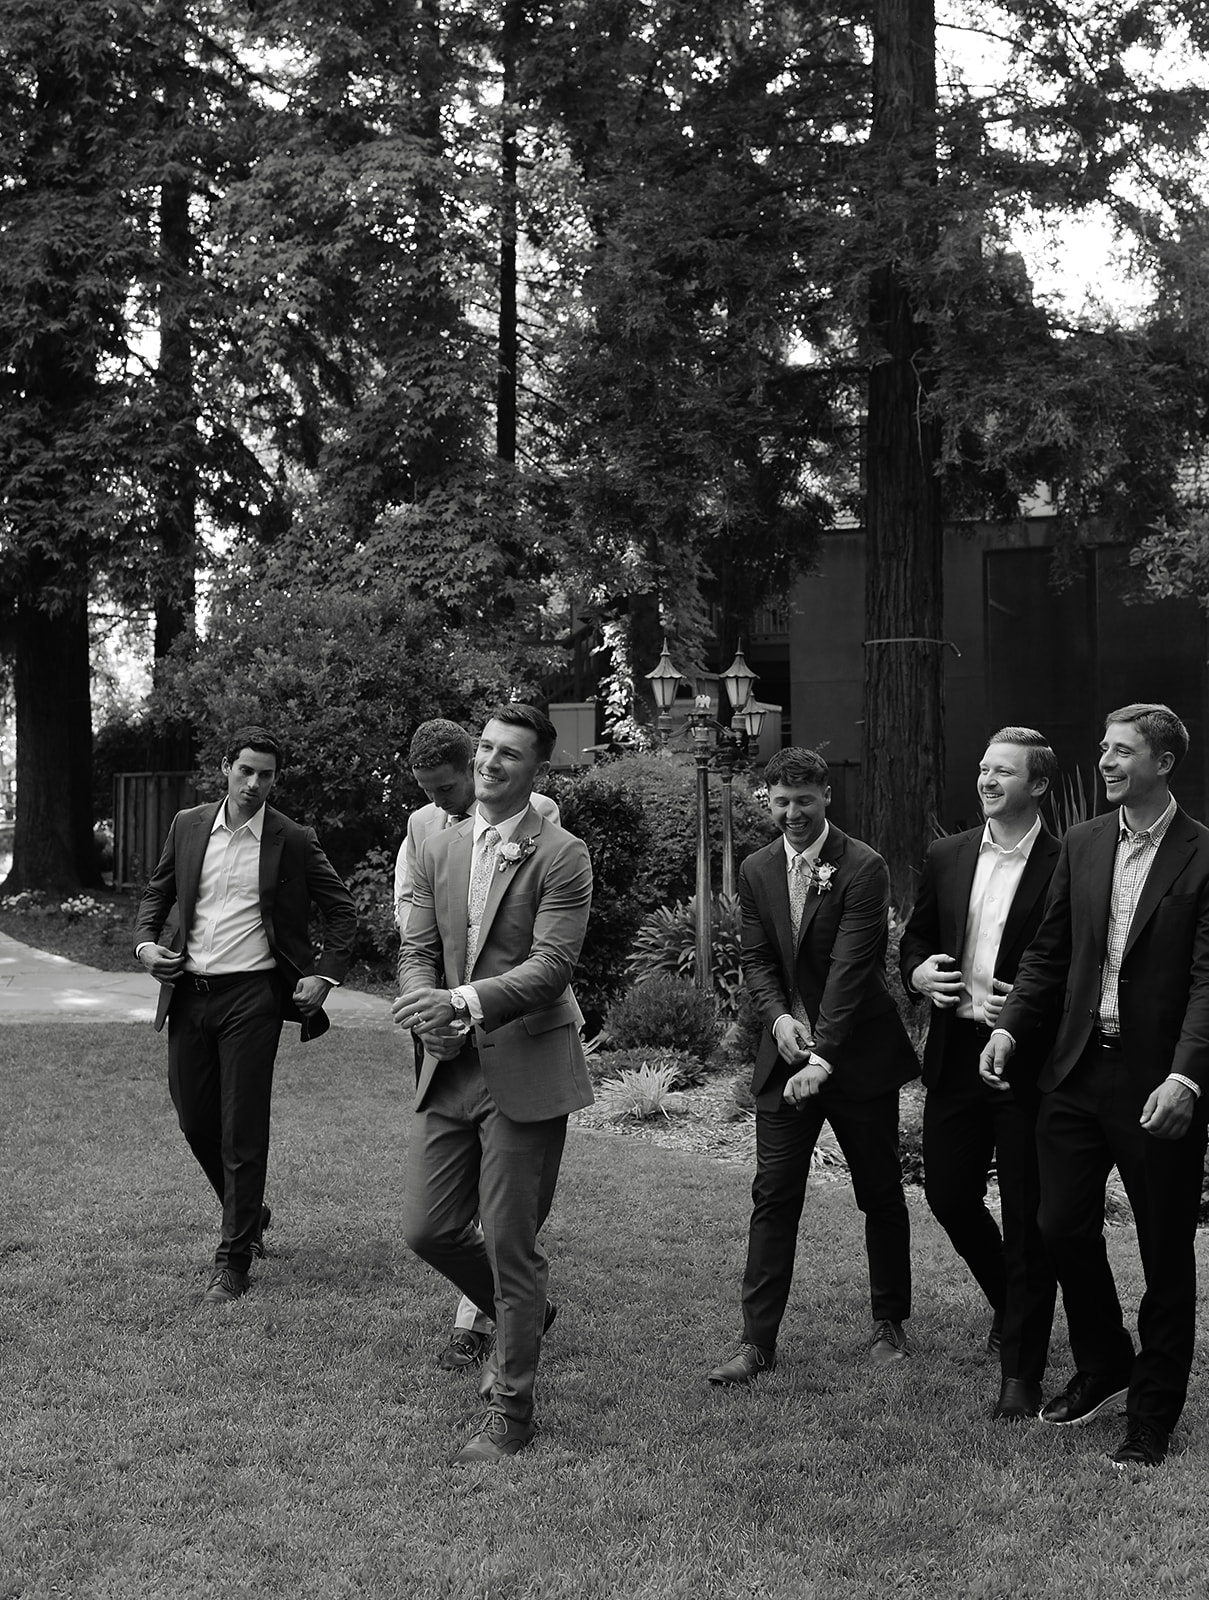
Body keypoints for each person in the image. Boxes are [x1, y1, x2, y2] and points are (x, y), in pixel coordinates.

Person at [980, 703, 1209, 1468]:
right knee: (1057, 1226)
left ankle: (1152, 1413)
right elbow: (1048, 954)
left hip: (1156, 1083)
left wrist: (1185, 1077)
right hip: (1075, 1071)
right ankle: (1106, 1360)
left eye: (1121, 751)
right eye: (1103, 749)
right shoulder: (1081, 844)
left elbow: (1208, 982)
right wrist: (1011, 1027)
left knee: (1163, 1251)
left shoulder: (1202, 855)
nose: (1105, 762)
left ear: (1162, 763)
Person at [394, 702, 593, 1463]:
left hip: (525, 1064)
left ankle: (511, 1413)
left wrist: (463, 1002)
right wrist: (426, 1012)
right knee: (427, 1228)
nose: (489, 762)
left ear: (536, 767)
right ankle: (524, 1311)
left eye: (509, 753)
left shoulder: (562, 854)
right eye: (484, 746)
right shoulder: (438, 841)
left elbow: (551, 968)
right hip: (449, 1064)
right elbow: (417, 944)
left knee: (511, 1243)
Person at [707, 747, 919, 1387]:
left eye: (804, 800)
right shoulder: (756, 868)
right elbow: (756, 959)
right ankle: (756, 1343)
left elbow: (853, 969)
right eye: (781, 801)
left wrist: (823, 1054)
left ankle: (889, 1321)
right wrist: (777, 1020)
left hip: (856, 1057)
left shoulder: (864, 867)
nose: (793, 813)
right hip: (784, 1056)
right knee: (773, 1195)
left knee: (879, 1191)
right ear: (767, 801)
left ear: (827, 796)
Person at [134, 726, 357, 1304]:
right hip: (188, 992)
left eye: (266, 775)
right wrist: (146, 945)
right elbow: (158, 893)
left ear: (275, 779)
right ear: (225, 768)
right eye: (246, 771)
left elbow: (341, 910)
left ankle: (233, 1260)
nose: (255, 783)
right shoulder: (188, 825)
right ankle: (250, 1211)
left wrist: (324, 975)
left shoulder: (292, 838)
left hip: (253, 997)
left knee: (243, 1127)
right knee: (194, 1120)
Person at [900, 728, 1061, 1420]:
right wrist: (917, 972)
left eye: (1004, 771)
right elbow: (917, 935)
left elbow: (1072, 959)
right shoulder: (947, 854)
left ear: (1039, 785)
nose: (987, 780)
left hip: (1028, 1065)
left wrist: (1022, 1009)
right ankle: (1012, 1303)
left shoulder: (1067, 861)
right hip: (954, 1054)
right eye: (983, 768)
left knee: (1027, 1217)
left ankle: (1020, 1374)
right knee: (948, 1194)